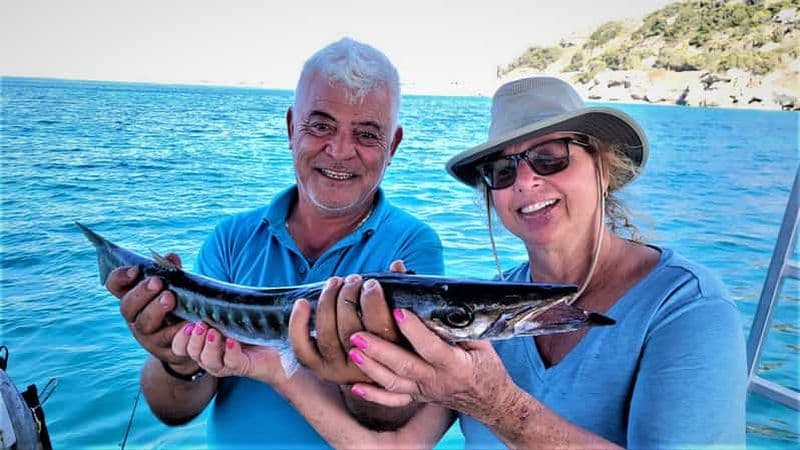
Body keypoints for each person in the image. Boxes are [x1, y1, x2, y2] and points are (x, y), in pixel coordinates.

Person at [334, 76, 749, 448]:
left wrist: (498, 404)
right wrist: (357, 367)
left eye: (551, 157)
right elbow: (397, 444)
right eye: (501, 171)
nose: (526, 181)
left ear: (603, 168)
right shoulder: (475, 314)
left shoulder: (689, 308)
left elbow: (487, 399)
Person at [104, 37, 444, 449]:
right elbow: (174, 409)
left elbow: (390, 416)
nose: (339, 151)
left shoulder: (412, 246)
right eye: (320, 125)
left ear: (392, 146)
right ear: (289, 128)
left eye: (367, 134)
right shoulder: (231, 238)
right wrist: (176, 361)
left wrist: (362, 366)